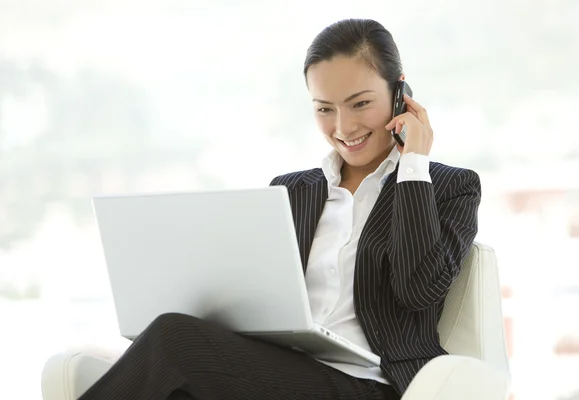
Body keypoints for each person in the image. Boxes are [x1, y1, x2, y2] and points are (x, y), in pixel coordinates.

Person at [78, 18, 481, 400]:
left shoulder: (449, 187)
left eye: (360, 104)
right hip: (281, 370)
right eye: (325, 109)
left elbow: (418, 291)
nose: (343, 128)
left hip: (372, 384)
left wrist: (413, 166)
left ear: (400, 92)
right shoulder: (290, 190)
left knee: (172, 339)